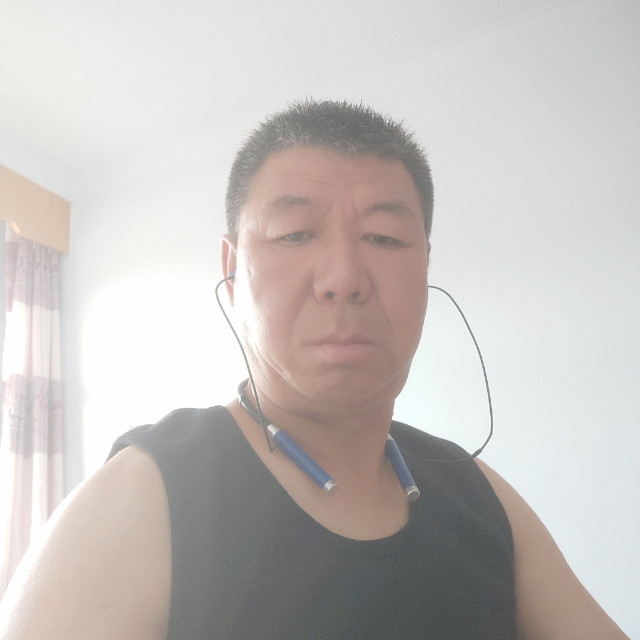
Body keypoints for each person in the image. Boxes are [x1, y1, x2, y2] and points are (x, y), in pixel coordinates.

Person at [0, 100, 628, 639]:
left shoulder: (478, 494)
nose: (344, 278)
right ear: (232, 270)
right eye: (295, 233)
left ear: (425, 266)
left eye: (384, 238)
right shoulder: (144, 496)